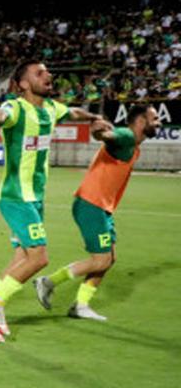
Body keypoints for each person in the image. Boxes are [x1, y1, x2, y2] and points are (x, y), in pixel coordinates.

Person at [0, 61, 103, 343]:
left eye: (47, 72)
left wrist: (93, 117)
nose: (48, 76)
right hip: (16, 196)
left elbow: (73, 112)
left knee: (22, 256)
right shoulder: (16, 108)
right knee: (39, 257)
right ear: (22, 84)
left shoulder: (52, 109)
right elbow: (1, 114)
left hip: (35, 198)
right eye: (39, 73)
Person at [32, 104, 160, 321]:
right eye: (155, 118)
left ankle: (80, 306)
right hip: (91, 205)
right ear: (140, 121)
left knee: (109, 259)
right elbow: (108, 136)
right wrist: (99, 132)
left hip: (102, 208)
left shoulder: (133, 144)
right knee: (101, 260)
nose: (159, 122)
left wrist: (101, 132)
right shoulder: (127, 136)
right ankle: (48, 282)